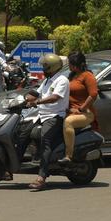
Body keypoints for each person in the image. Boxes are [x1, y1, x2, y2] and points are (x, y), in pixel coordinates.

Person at [28, 54, 70, 191]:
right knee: (22, 131)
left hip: (54, 116)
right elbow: (35, 93)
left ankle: (42, 177)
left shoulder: (62, 80)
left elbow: (55, 97)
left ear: (52, 67)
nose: (42, 69)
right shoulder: (47, 80)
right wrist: (23, 98)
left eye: (44, 66)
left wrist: (37, 102)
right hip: (41, 114)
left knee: (45, 139)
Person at [60, 52, 98, 163]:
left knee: (68, 122)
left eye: (71, 63)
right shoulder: (72, 76)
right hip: (69, 111)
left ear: (76, 64)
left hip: (85, 113)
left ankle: (68, 156)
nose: (69, 65)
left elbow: (93, 94)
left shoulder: (87, 76)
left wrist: (81, 108)